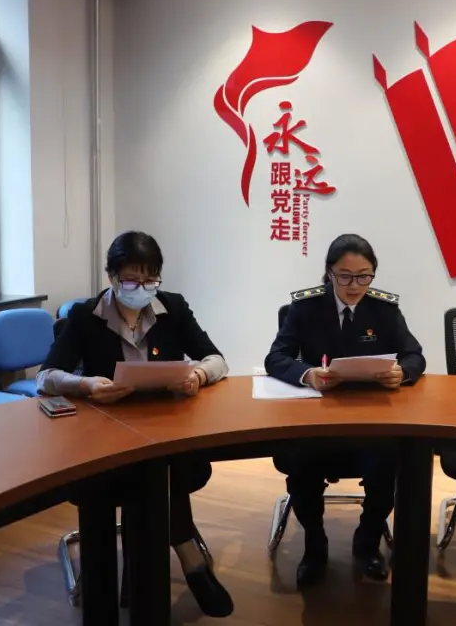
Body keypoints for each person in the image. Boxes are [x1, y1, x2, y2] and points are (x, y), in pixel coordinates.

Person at [38, 231, 234, 618]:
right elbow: (45, 377)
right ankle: (189, 558)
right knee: (151, 474)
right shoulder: (85, 315)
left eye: (150, 279)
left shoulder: (172, 308)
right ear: (111, 276)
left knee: (162, 465)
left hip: (163, 429)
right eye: (131, 280)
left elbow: (216, 359)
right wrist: (85, 384)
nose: (141, 288)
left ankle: (153, 571)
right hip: (104, 436)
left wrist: (197, 375)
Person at [265, 234, 426, 588]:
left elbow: (414, 355)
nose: (355, 286)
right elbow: (275, 358)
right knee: (302, 464)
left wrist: (402, 372)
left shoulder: (384, 309)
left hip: (371, 419)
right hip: (318, 418)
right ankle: (315, 545)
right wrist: (308, 374)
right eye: (345, 276)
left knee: (388, 462)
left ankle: (367, 540)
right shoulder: (305, 307)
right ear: (329, 273)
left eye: (364, 276)